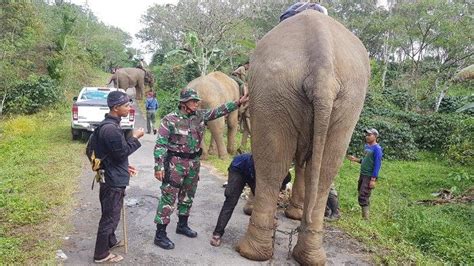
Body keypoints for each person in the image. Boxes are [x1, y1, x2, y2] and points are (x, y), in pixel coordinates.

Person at [153, 88, 249, 250]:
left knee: (188, 196)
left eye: (197, 101)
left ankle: (182, 225)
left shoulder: (200, 116)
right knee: (168, 197)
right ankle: (160, 234)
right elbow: (161, 145)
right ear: (183, 104)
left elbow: (218, 111)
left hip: (193, 163)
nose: (197, 103)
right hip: (175, 163)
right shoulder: (170, 120)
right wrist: (159, 166)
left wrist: (238, 102)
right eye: (193, 101)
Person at [93, 91, 145, 263]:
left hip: (111, 175)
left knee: (111, 213)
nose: (129, 108)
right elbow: (121, 152)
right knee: (110, 217)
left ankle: (110, 241)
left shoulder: (109, 125)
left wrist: (123, 166)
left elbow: (111, 154)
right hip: (112, 181)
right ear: (116, 108)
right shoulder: (110, 129)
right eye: (126, 106)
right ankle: (101, 254)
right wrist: (135, 137)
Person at [210, 153, 291, 247]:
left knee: (263, 202)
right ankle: (217, 234)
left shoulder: (277, 171)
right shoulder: (268, 169)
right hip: (238, 169)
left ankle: (262, 232)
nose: (281, 189)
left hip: (253, 173)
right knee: (230, 201)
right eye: (281, 186)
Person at [347, 128, 383, 220]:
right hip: (362, 174)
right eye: (366, 135)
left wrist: (373, 179)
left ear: (375, 136)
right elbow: (365, 160)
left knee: (363, 195)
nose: (367, 136)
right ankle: (364, 215)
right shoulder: (367, 147)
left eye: (369, 135)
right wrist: (355, 159)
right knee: (361, 192)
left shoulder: (377, 149)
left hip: (369, 175)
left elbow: (377, 164)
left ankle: (366, 219)